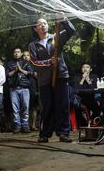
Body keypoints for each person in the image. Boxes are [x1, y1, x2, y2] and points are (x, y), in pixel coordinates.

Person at [28, 14, 75, 142]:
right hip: (44, 80)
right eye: (40, 24)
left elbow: (71, 30)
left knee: (62, 105)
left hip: (60, 75)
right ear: (35, 29)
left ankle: (63, 133)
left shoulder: (56, 38)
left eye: (45, 23)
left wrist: (63, 19)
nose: (43, 25)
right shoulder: (33, 45)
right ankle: (45, 134)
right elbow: (33, 62)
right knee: (46, 106)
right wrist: (49, 62)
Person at [5, 48, 33, 133]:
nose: (16, 54)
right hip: (13, 89)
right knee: (15, 109)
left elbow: (31, 73)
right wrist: (15, 70)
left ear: (21, 54)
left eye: (18, 52)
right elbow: (7, 75)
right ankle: (17, 126)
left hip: (24, 88)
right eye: (15, 52)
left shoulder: (26, 62)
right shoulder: (9, 64)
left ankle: (25, 126)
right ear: (13, 54)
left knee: (25, 107)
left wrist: (21, 70)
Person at [22, 50, 39, 131]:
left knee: (33, 108)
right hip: (23, 88)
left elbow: (37, 75)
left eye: (27, 55)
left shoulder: (34, 65)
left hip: (33, 88)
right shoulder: (20, 65)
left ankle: (33, 125)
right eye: (24, 55)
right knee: (25, 107)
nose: (26, 57)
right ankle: (26, 126)